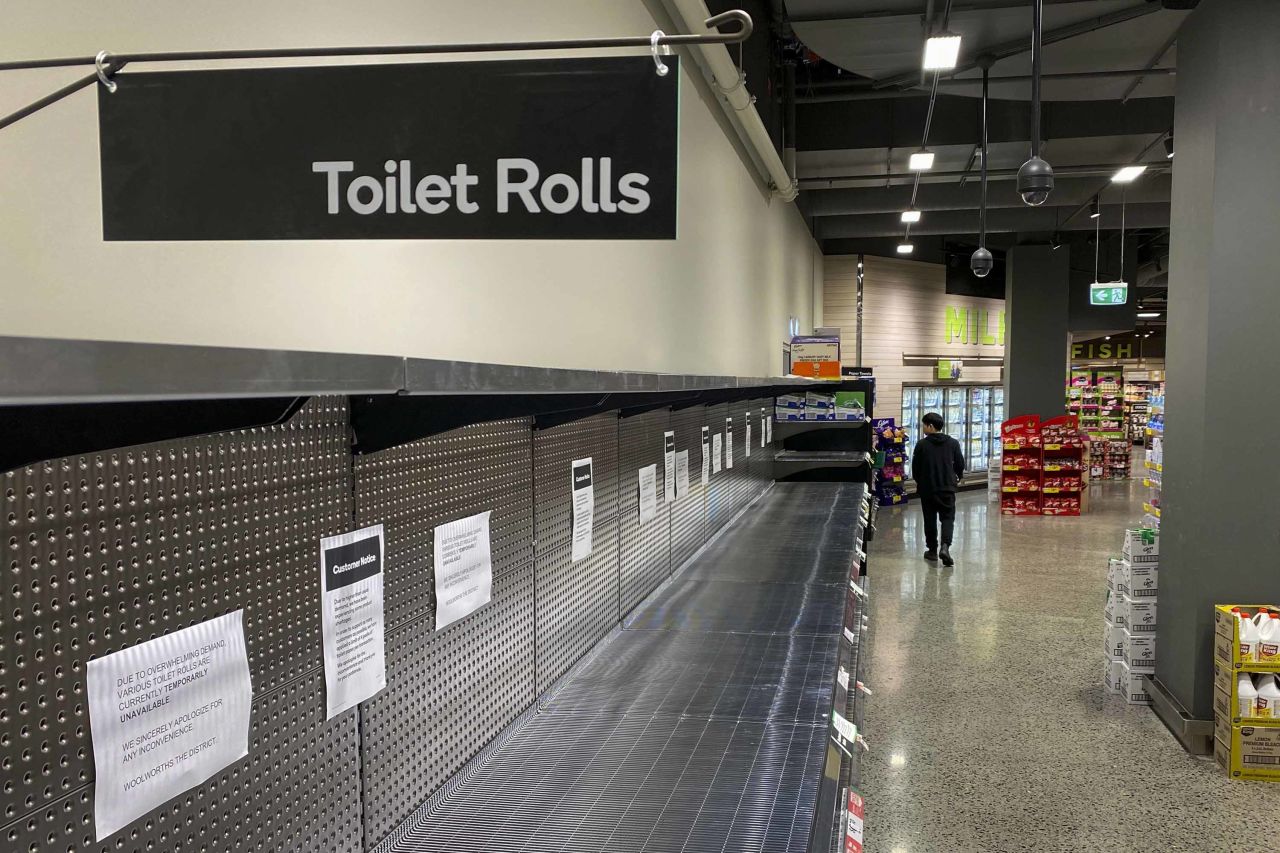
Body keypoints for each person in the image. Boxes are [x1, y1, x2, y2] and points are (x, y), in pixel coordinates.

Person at [911, 412, 965, 567]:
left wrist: (920, 482)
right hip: (947, 487)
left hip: (928, 489)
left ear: (931, 426)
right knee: (947, 518)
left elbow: (916, 469)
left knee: (930, 519)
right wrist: (957, 477)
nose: (923, 428)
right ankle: (945, 547)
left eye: (924, 425)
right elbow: (959, 464)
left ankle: (932, 551)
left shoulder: (922, 445)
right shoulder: (953, 443)